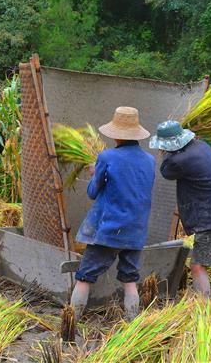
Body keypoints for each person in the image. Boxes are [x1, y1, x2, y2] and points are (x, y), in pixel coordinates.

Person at [70, 106, 156, 321]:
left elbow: (92, 192)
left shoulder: (106, 156)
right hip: (136, 231)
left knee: (84, 277)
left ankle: (70, 326)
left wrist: (94, 173)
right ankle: (131, 327)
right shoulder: (150, 160)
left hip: (110, 229)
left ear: (116, 134)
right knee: (130, 280)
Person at [149, 120, 211, 304]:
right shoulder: (202, 146)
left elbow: (166, 172)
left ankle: (206, 312)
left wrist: (167, 154)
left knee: (197, 265)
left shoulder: (178, 160)